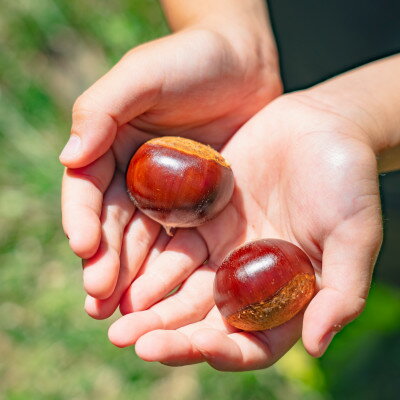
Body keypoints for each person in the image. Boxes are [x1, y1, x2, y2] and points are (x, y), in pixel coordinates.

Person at [59, 0, 400, 371]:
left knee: (368, 255)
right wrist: (228, 31)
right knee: (350, 262)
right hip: (282, 61)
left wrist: (355, 115)